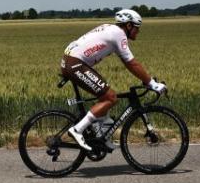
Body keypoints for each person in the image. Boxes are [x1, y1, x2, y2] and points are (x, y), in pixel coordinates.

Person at [60, 9, 166, 151]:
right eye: (136, 28)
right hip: (76, 64)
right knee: (111, 98)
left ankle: (101, 136)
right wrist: (151, 83)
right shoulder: (118, 34)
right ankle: (77, 130)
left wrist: (147, 79)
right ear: (128, 26)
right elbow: (131, 63)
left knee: (105, 96)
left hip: (71, 61)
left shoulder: (111, 29)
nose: (138, 32)